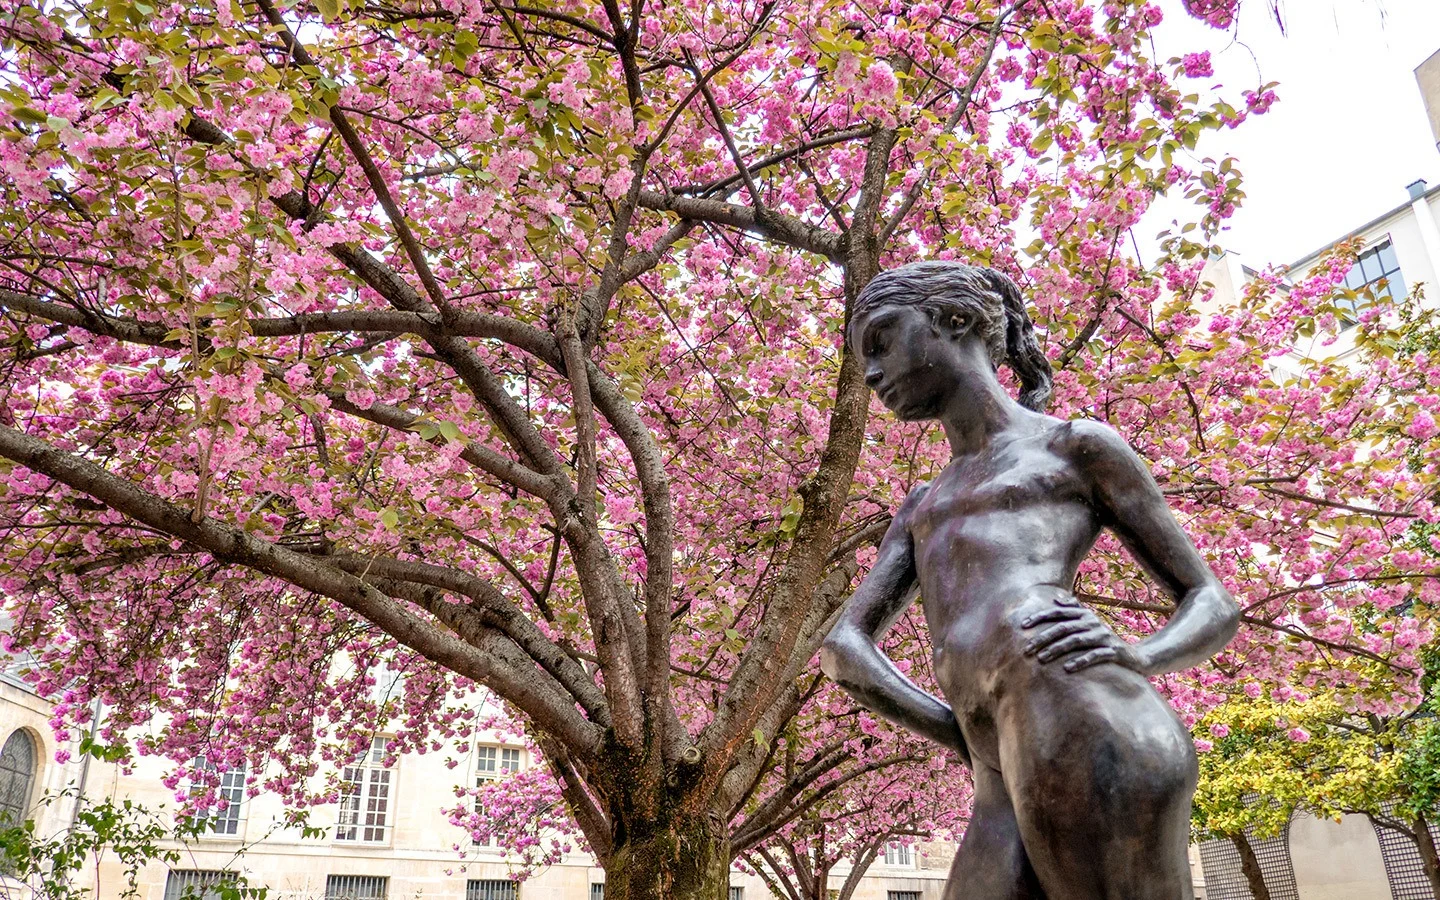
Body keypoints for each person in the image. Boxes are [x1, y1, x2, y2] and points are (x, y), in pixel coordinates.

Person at [820, 261, 1239, 900]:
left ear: (954, 321)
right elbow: (844, 647)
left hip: (1081, 715)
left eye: (881, 340)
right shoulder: (922, 503)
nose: (869, 373)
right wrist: (962, 730)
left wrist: (1139, 654)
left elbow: (1211, 599)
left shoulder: (1073, 448)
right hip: (996, 762)